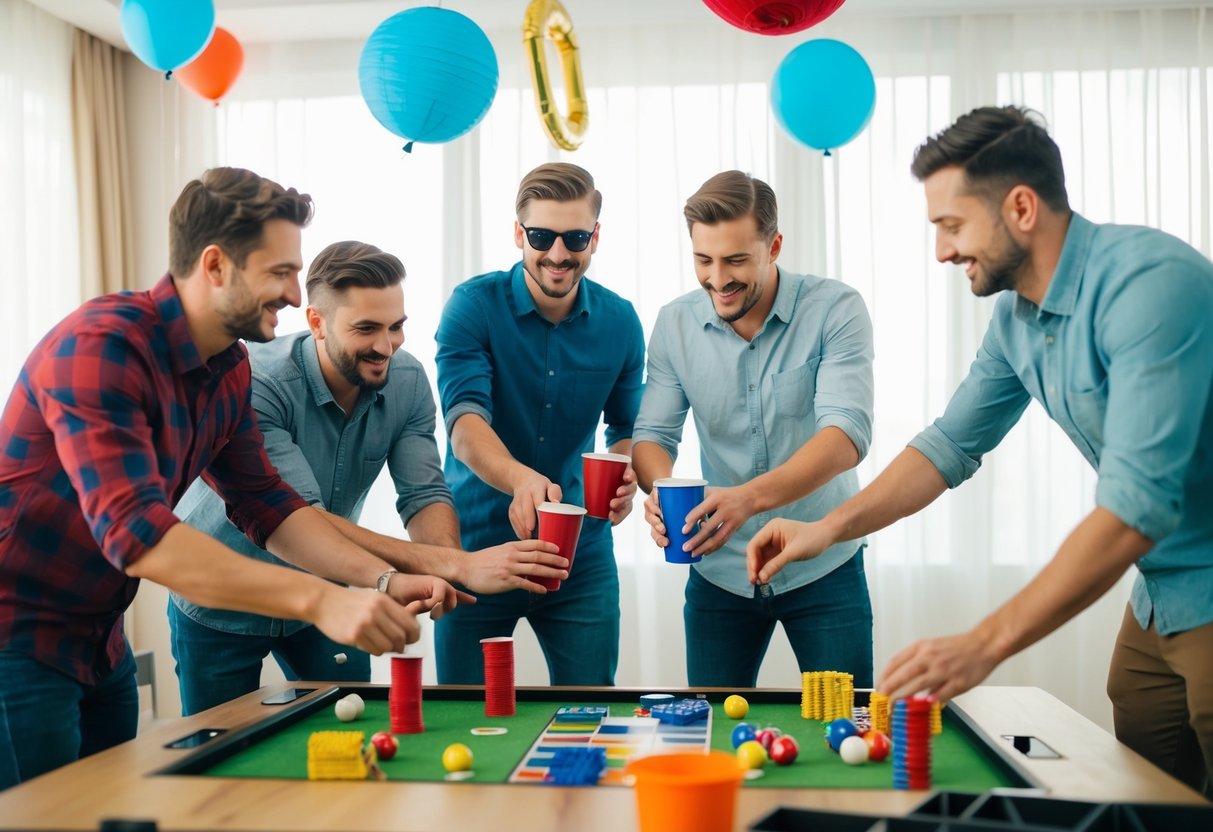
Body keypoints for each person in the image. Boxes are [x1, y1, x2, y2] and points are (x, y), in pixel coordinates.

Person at [747, 106, 1213, 795]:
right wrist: (826, 527)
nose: (940, 251)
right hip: (1156, 596)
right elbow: (948, 444)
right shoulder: (1015, 317)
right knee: (1147, 797)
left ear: (1020, 207)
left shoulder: (1150, 287)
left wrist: (983, 645)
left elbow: (1134, 506)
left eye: (951, 225)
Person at [0, 168, 439, 789]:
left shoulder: (228, 367)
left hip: (101, 640)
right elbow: (135, 533)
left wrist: (383, 579)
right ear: (215, 266)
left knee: (106, 811)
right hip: (16, 636)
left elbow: (266, 505)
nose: (293, 295)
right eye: (280, 272)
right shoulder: (101, 347)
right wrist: (320, 598)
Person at [169, 240, 569, 715]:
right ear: (316, 322)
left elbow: (423, 493)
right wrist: (452, 565)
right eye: (366, 329)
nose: (386, 346)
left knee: (350, 742)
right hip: (223, 600)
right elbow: (299, 517)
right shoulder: (260, 382)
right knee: (220, 767)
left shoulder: (406, 380)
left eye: (396, 326)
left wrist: (445, 568)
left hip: (331, 589)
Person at [631, 170, 876, 687]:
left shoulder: (836, 309)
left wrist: (747, 498)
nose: (718, 279)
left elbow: (845, 437)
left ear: (774, 246)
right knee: (713, 736)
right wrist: (660, 493)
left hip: (823, 565)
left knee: (848, 733)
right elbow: (653, 435)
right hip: (719, 575)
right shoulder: (674, 324)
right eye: (704, 260)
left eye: (736, 260)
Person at [433, 162, 645, 685]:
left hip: (581, 554)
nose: (557, 254)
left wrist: (623, 477)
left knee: (592, 707)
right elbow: (464, 426)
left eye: (574, 237)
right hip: (478, 548)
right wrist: (521, 479)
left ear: (595, 237)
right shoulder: (472, 307)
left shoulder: (621, 321)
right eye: (541, 236)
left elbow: (624, 430)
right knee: (466, 714)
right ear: (518, 233)